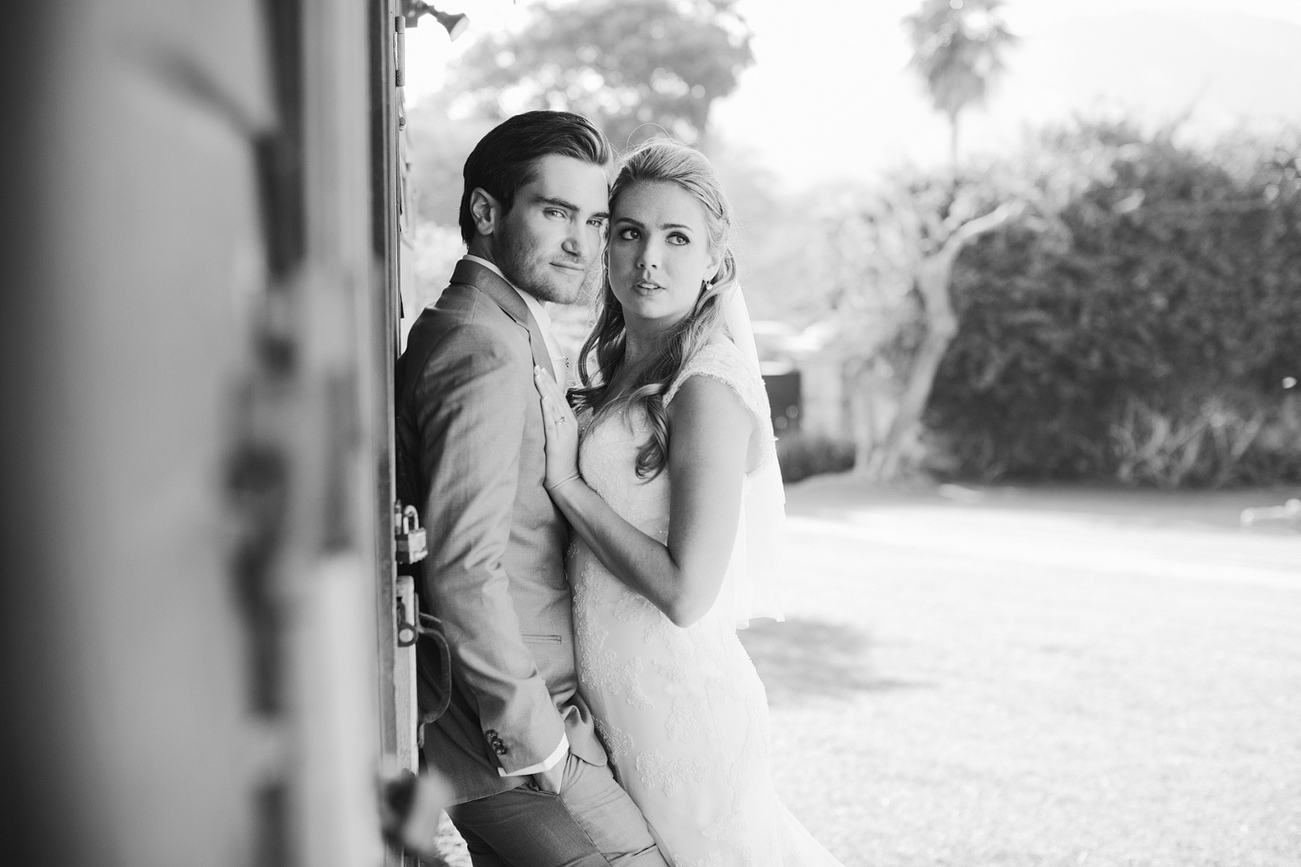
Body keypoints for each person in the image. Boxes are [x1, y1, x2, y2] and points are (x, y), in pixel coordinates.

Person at [533, 140, 845, 866]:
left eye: (677, 238)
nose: (649, 259)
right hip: (617, 703)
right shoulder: (621, 368)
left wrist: (569, 487)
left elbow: (685, 590)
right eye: (630, 231)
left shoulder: (707, 384)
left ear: (715, 262)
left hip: (682, 719)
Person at [393, 110, 666, 867]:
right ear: (486, 212)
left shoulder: (503, 323)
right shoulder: (481, 343)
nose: (581, 241)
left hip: (518, 731)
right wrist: (537, 738)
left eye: (594, 219)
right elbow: (461, 562)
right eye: (555, 213)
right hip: (512, 740)